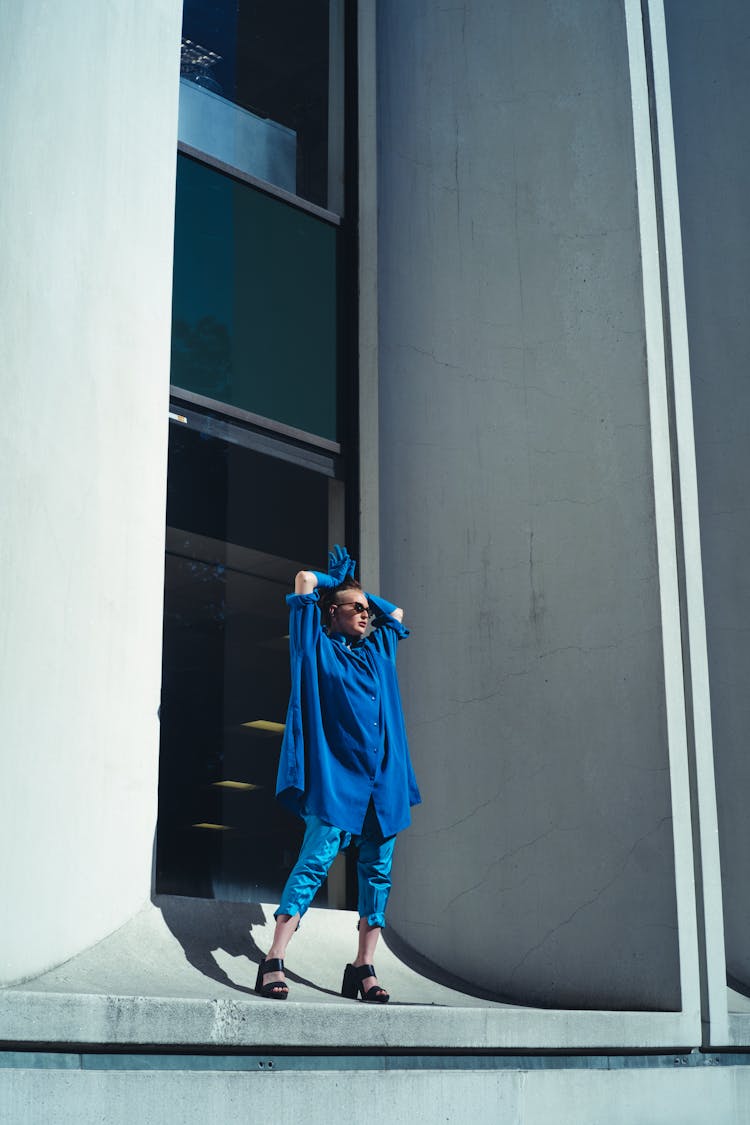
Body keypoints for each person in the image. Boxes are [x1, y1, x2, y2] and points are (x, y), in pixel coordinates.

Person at [255, 545, 421, 1002]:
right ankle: (273, 957)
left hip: (382, 780)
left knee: (377, 873)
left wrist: (357, 594)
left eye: (369, 610)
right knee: (315, 861)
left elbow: (398, 612)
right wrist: (335, 586)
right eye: (358, 610)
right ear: (333, 613)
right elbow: (305, 581)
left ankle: (363, 966)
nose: (368, 615)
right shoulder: (316, 649)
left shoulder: (380, 651)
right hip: (337, 778)